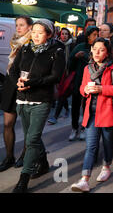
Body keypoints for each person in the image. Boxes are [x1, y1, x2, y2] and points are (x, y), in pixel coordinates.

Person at [9, 19, 65, 193]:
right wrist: (17, 82)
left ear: (49, 34)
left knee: (32, 139)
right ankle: (44, 163)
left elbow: (56, 76)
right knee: (31, 137)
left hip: (41, 100)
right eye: (33, 32)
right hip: (22, 98)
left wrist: (33, 83)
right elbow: (13, 70)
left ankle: (24, 179)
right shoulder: (25, 48)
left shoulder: (57, 51)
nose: (35, 35)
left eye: (40, 32)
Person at [70, 38, 113, 192]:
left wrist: (101, 89)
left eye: (101, 50)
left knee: (108, 145)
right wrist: (85, 91)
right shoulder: (88, 69)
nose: (97, 52)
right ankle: (84, 180)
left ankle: (106, 167)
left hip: (109, 113)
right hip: (91, 114)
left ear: (108, 52)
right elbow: (82, 87)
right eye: (94, 49)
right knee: (91, 147)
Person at [0, 16, 33, 172]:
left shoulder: (33, 43)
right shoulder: (15, 41)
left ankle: (25, 156)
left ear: (30, 27)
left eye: (22, 25)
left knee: (27, 126)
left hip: (24, 84)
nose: (18, 28)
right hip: (10, 82)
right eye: (17, 25)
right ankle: (9, 157)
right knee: (7, 123)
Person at [68, 25, 99, 141]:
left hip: (93, 82)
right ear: (88, 37)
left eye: (97, 35)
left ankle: (84, 128)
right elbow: (70, 65)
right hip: (79, 81)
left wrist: (86, 56)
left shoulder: (99, 48)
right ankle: (74, 128)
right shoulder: (80, 47)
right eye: (94, 35)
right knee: (76, 105)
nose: (96, 37)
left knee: (88, 106)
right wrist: (75, 57)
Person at [48, 28, 75, 124]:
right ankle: (67, 109)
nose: (64, 35)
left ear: (69, 35)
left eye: (66, 34)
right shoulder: (56, 45)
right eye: (62, 34)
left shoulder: (72, 45)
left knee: (62, 94)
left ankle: (55, 116)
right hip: (58, 73)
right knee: (61, 94)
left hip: (69, 74)